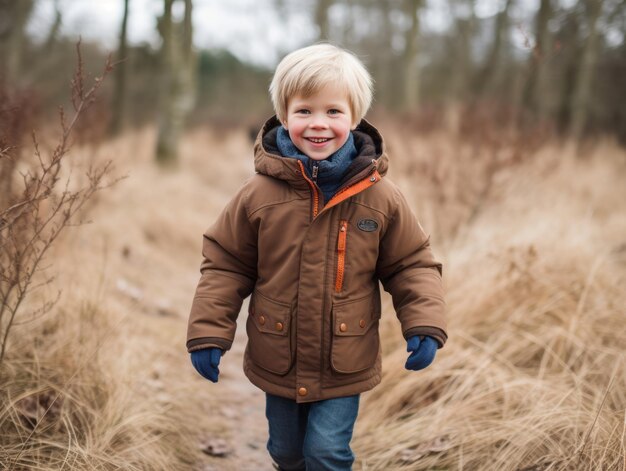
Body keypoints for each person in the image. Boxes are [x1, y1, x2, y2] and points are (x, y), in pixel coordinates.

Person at [186, 43, 447, 471]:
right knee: (286, 453)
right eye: (304, 111)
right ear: (284, 116)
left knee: (326, 453)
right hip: (278, 351)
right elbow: (226, 262)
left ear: (356, 117)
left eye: (333, 112)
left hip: (345, 356)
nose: (318, 124)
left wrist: (424, 322)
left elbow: (411, 263)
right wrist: (209, 332)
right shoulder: (258, 194)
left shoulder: (379, 196)